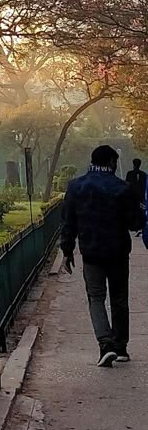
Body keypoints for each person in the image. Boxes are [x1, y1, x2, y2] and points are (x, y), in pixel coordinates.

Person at [61, 143, 142, 367]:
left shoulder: (76, 187)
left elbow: (68, 221)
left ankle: (104, 344)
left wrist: (67, 251)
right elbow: (134, 222)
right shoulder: (122, 188)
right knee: (119, 299)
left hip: (91, 252)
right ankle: (120, 346)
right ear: (111, 162)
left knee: (96, 298)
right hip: (117, 252)